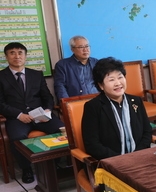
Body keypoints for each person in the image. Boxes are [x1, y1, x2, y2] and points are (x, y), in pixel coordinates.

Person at [0, 42, 64, 183]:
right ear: (6, 57)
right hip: (17, 118)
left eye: (20, 52)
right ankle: (26, 169)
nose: (17, 56)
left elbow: (47, 96)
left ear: (25, 56)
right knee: (17, 138)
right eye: (12, 53)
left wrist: (47, 110)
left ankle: (55, 162)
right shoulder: (1, 77)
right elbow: (1, 103)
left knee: (62, 130)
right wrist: (18, 115)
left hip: (41, 115)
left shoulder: (36, 74)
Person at [81, 57, 152, 160]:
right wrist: (120, 159)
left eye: (120, 77)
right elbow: (92, 145)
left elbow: (147, 131)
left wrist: (137, 155)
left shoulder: (136, 101)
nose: (118, 83)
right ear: (101, 85)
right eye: (111, 80)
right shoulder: (93, 107)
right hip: (112, 162)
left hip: (139, 157)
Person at [53, 35, 98, 103]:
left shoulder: (96, 62)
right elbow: (60, 86)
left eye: (87, 46)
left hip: (97, 100)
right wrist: (67, 103)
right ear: (72, 49)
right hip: (76, 102)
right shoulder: (62, 65)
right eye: (81, 47)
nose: (85, 49)